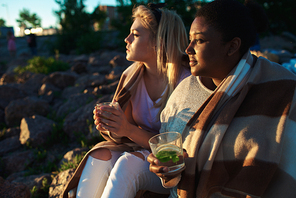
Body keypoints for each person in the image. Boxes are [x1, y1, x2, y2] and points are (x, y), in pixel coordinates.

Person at [148, 0, 296, 197]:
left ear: (232, 46)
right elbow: (174, 174)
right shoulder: (183, 93)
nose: (188, 49)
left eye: (199, 40)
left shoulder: (280, 91)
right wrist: (164, 171)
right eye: (189, 39)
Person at [62, 3, 191, 198]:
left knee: (128, 163)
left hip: (171, 165)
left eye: (136, 35)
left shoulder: (186, 82)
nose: (127, 39)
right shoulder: (132, 77)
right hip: (140, 151)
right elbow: (123, 135)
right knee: (100, 155)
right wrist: (112, 124)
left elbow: (177, 148)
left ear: (159, 41)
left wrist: (127, 129)